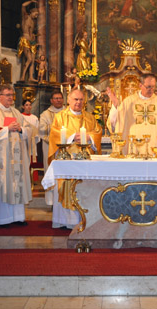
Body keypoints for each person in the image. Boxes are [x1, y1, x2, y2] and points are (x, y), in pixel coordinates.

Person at [47, 89, 102, 229]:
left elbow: (97, 132)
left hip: (85, 161)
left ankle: (85, 218)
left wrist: (89, 137)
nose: (78, 102)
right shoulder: (60, 116)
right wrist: (72, 137)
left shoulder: (90, 117)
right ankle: (66, 221)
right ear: (69, 100)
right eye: (75, 99)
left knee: (83, 187)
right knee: (66, 186)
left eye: (81, 100)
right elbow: (54, 133)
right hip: (67, 159)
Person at [0, 84, 32, 227]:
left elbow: (29, 129)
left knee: (18, 184)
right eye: (8, 95)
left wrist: (21, 129)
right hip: (2, 157)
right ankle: (2, 219)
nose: (11, 98)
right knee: (4, 184)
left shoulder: (16, 112)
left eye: (12, 95)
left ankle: (17, 217)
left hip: (18, 157)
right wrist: (6, 129)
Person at [106, 73, 157, 154]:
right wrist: (115, 105)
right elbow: (115, 123)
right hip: (133, 149)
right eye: (148, 87)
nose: (151, 89)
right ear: (140, 85)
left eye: (153, 87)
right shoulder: (128, 102)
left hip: (154, 149)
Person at [39, 91, 65, 204]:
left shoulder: (68, 112)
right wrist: (55, 126)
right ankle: (51, 202)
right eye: (56, 98)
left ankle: (65, 198)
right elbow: (41, 129)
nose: (58, 100)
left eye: (60, 98)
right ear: (51, 100)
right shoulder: (45, 114)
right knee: (51, 171)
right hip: (50, 146)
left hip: (66, 147)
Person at [18, 0, 39, 82]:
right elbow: (23, 5)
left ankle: (31, 77)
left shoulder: (34, 22)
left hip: (32, 42)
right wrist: (31, 1)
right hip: (25, 40)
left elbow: (32, 32)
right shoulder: (25, 18)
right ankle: (22, 76)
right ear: (31, 12)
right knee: (29, 59)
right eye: (36, 14)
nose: (36, 16)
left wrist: (34, 35)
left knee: (33, 60)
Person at [21, 98, 40, 163]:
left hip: (32, 141)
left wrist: (35, 137)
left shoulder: (35, 118)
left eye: (30, 105)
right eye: (26, 105)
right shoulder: (20, 117)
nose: (28, 107)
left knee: (32, 158)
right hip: (23, 140)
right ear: (23, 106)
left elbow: (37, 130)